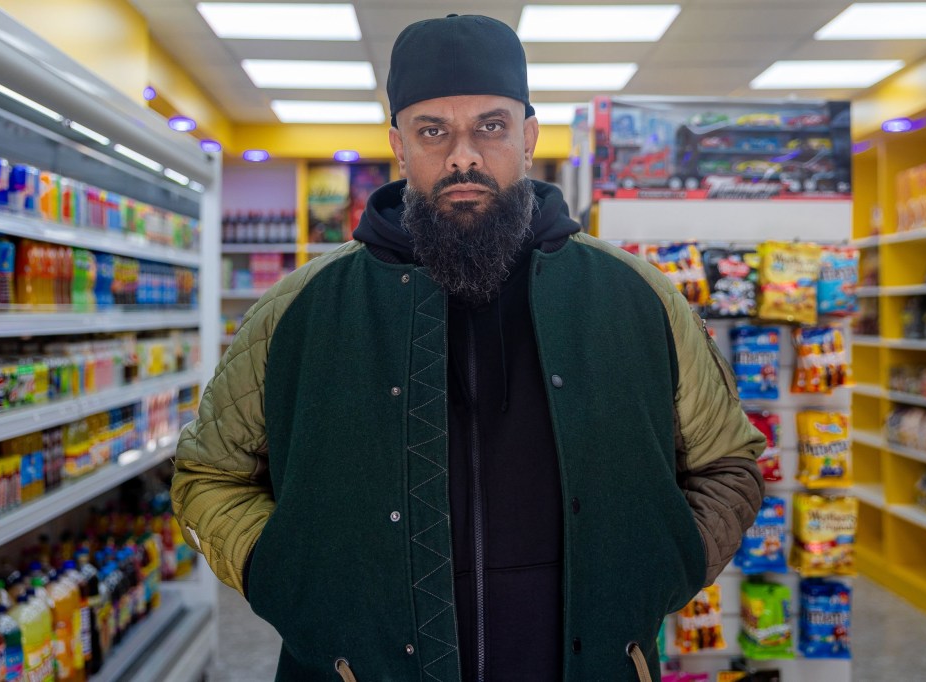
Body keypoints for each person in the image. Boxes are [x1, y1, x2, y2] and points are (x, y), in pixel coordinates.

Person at [172, 14, 765, 682]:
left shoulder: (635, 297)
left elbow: (728, 463)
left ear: (528, 136)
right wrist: (286, 576)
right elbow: (208, 475)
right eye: (434, 131)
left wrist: (661, 569)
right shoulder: (300, 309)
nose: (464, 156)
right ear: (399, 144)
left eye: (490, 126)